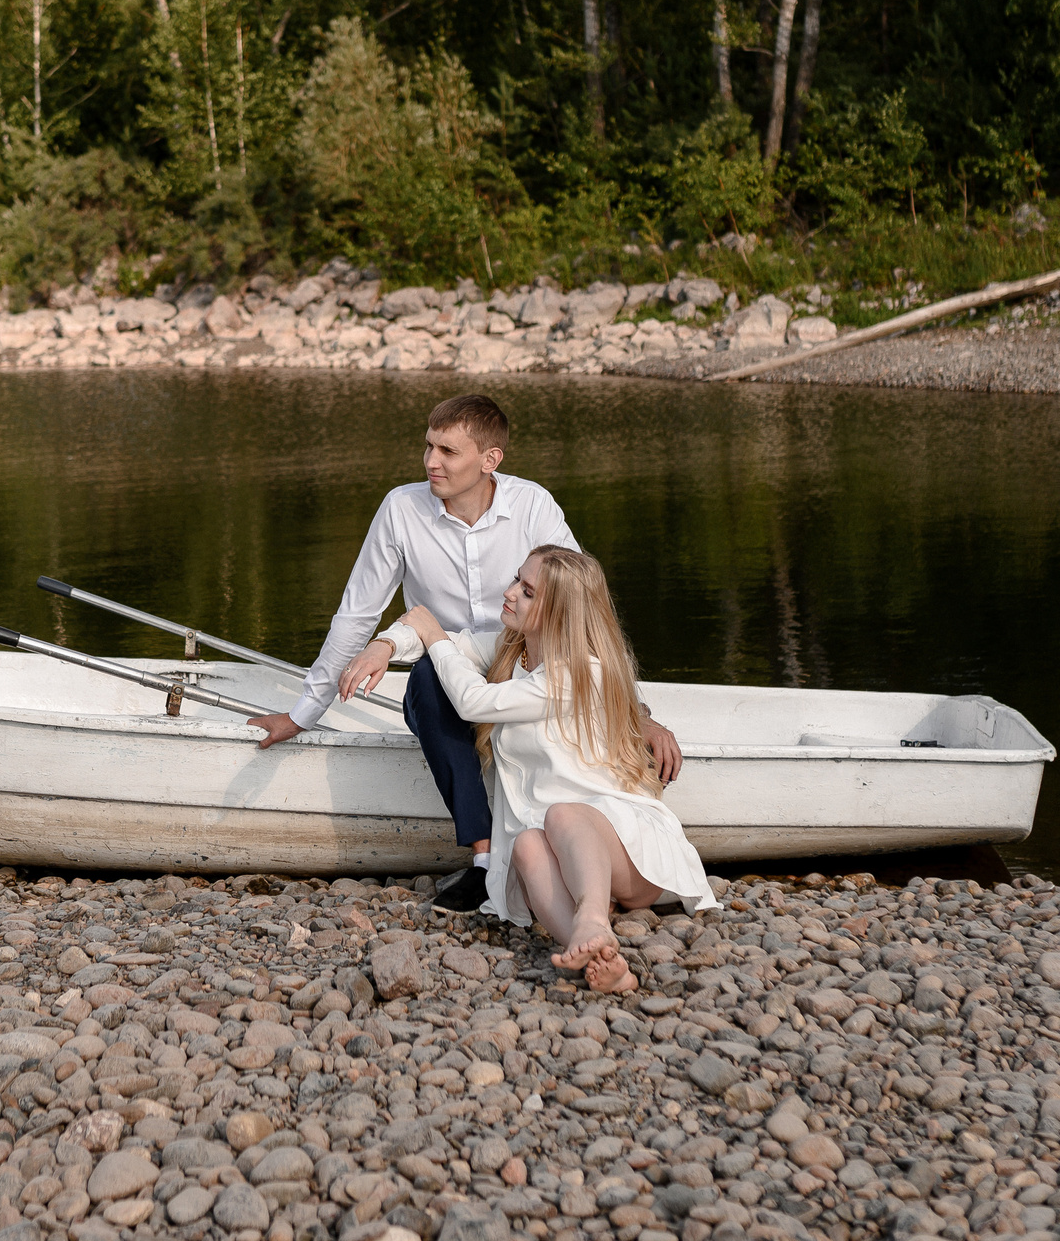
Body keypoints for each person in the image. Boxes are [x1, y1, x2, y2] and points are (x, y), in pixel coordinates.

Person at [245, 395, 681, 912]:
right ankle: (483, 857)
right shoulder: (401, 509)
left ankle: (592, 849)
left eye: (448, 451)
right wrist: (304, 713)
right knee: (427, 676)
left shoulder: (532, 506)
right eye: (429, 446)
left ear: (490, 459)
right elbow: (356, 614)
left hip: (524, 671)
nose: (432, 462)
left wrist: (636, 715)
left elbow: (585, 611)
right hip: (446, 672)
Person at [384, 545, 715, 991]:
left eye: (527, 591)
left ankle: (594, 916)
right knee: (524, 847)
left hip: (626, 850)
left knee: (562, 812)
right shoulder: (512, 651)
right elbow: (447, 646)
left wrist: (432, 634)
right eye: (516, 580)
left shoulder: (580, 673)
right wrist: (386, 645)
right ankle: (594, 953)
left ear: (558, 612)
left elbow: (472, 699)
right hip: (558, 854)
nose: (509, 593)